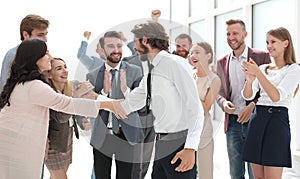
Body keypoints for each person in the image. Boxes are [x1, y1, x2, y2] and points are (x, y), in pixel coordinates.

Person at [0, 38, 126, 179]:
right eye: (46, 53)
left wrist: (108, 102)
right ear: (35, 59)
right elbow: (67, 104)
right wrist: (109, 105)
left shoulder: (25, 83)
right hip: (16, 144)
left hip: (16, 141)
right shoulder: (34, 86)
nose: (50, 57)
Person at [121, 21, 204, 179]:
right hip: (160, 144)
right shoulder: (153, 71)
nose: (134, 48)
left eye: (136, 42)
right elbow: (129, 104)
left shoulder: (175, 63)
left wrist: (190, 148)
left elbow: (194, 107)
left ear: (145, 40)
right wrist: (95, 100)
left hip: (179, 144)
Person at [83, 31, 144, 179]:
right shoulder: (92, 75)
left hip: (127, 135)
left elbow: (141, 105)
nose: (116, 50)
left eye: (118, 45)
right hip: (103, 137)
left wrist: (126, 90)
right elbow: (89, 107)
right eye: (110, 46)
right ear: (102, 50)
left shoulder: (135, 72)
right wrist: (103, 92)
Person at [241, 27, 300, 179]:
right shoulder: (263, 68)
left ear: (286, 43)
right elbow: (248, 95)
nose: (269, 46)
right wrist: (249, 81)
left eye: (273, 41)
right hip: (257, 119)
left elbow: (276, 96)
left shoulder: (294, 69)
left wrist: (258, 74)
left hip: (277, 122)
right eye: (267, 42)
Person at [216, 19, 271, 179]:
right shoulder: (221, 62)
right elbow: (218, 93)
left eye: (235, 33)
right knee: (235, 173)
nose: (231, 37)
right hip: (233, 123)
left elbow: (268, 88)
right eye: (228, 34)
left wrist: (253, 105)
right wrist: (224, 103)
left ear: (245, 34)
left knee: (256, 173)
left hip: (256, 121)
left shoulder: (262, 57)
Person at [44, 57, 92, 179]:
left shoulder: (69, 88)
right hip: (53, 144)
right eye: (59, 68)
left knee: (57, 175)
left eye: (65, 67)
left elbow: (75, 113)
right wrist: (76, 97)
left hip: (67, 138)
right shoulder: (49, 94)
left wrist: (83, 122)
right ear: (49, 74)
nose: (65, 71)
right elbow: (61, 117)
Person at [189, 42, 221, 179]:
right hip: (185, 132)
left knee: (205, 174)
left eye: (197, 52)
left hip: (203, 134)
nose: (193, 55)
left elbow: (205, 108)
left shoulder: (214, 80)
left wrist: (188, 90)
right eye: (192, 53)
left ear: (208, 56)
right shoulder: (189, 75)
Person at [0, 14, 49, 93]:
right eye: (40, 35)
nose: (45, 40)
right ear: (25, 35)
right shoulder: (13, 55)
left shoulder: (40, 55)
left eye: (46, 34)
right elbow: (5, 88)